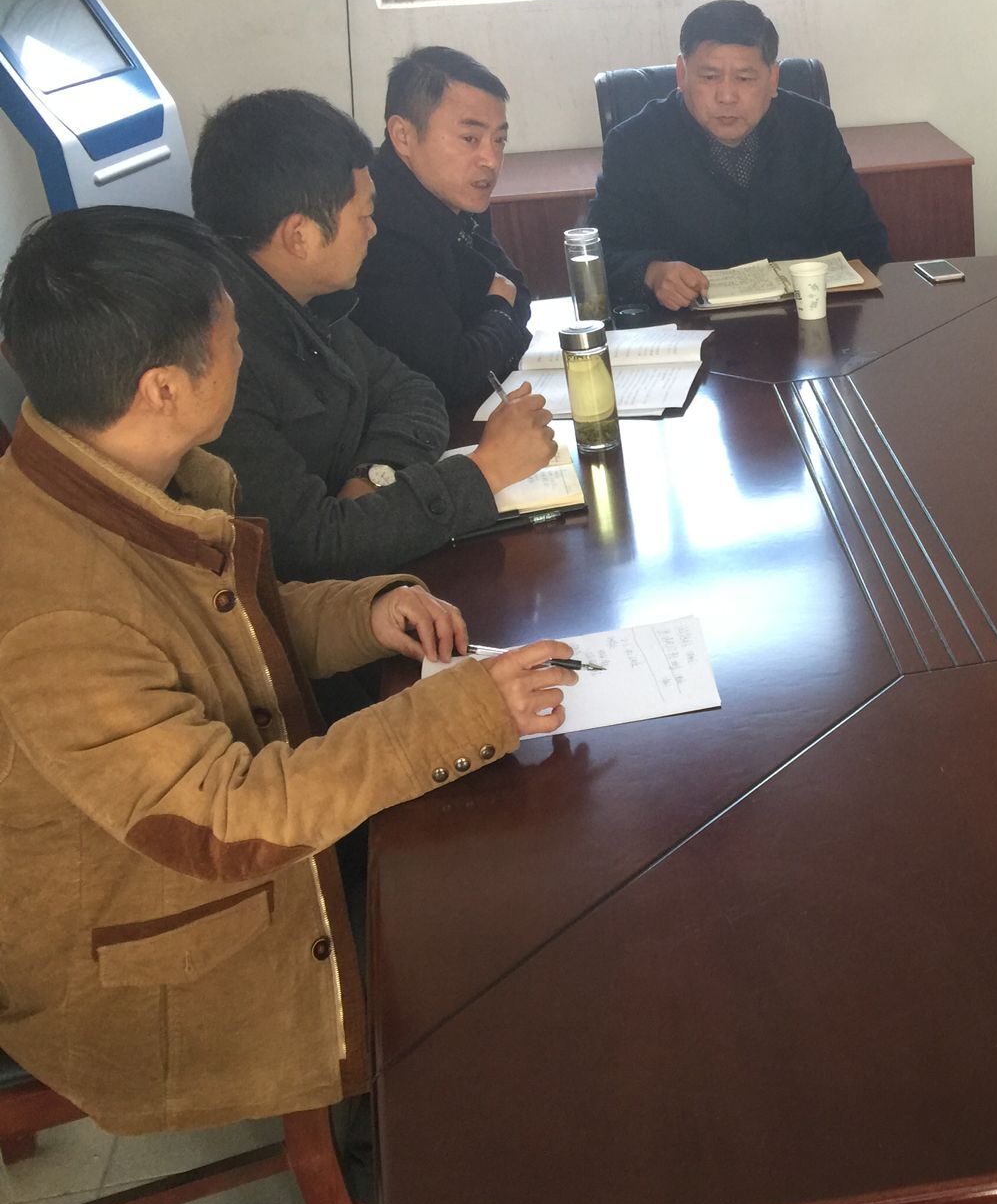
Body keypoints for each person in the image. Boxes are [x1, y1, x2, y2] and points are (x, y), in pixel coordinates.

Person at [0, 203, 575, 1134]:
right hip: (171, 950)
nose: (245, 354)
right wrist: (461, 713)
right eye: (231, 338)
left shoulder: (113, 476)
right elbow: (224, 822)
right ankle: (382, 1150)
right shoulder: (55, 610)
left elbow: (220, 630)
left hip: (223, 855)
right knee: (510, 940)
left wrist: (367, 611)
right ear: (162, 388)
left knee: (502, 862)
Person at [191, 88, 557, 581]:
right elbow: (310, 552)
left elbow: (414, 393)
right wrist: (486, 470)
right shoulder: (218, 360)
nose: (372, 232)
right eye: (363, 217)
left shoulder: (307, 300)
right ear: (299, 236)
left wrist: (370, 481)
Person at [588, 0, 890, 322]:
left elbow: (866, 241)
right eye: (709, 77)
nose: (727, 97)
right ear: (682, 74)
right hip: (689, 332)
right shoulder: (634, 144)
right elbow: (598, 259)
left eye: (745, 79)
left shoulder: (812, 128)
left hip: (804, 325)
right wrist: (651, 272)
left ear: (772, 79)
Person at [349, 46, 535, 408]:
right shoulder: (376, 226)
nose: (491, 160)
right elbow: (454, 376)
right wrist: (497, 307)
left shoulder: (455, 192)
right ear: (403, 135)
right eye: (470, 139)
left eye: (499, 140)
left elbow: (519, 290)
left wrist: (493, 312)